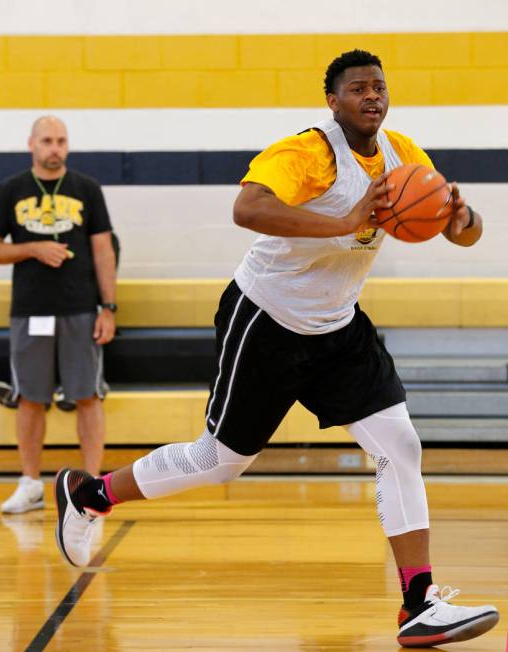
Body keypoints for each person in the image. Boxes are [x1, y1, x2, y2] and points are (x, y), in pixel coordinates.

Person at [53, 51, 498, 647]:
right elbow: (248, 208)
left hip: (338, 328)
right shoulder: (308, 153)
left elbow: (466, 233)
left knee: (400, 444)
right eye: (358, 88)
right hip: (266, 317)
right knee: (219, 461)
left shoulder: (403, 155)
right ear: (333, 101)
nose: (372, 96)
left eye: (380, 87)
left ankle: (418, 602)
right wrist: (346, 222)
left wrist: (459, 213)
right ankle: (89, 496)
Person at [0, 116, 117, 514]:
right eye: (47, 140)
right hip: (30, 311)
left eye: (61, 141)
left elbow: (103, 250)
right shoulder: (11, 190)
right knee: (30, 399)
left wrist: (108, 308)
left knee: (86, 397)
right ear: (31, 143)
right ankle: (30, 483)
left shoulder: (87, 189)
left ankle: (91, 487)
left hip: (81, 309)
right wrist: (32, 248)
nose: (54, 147)